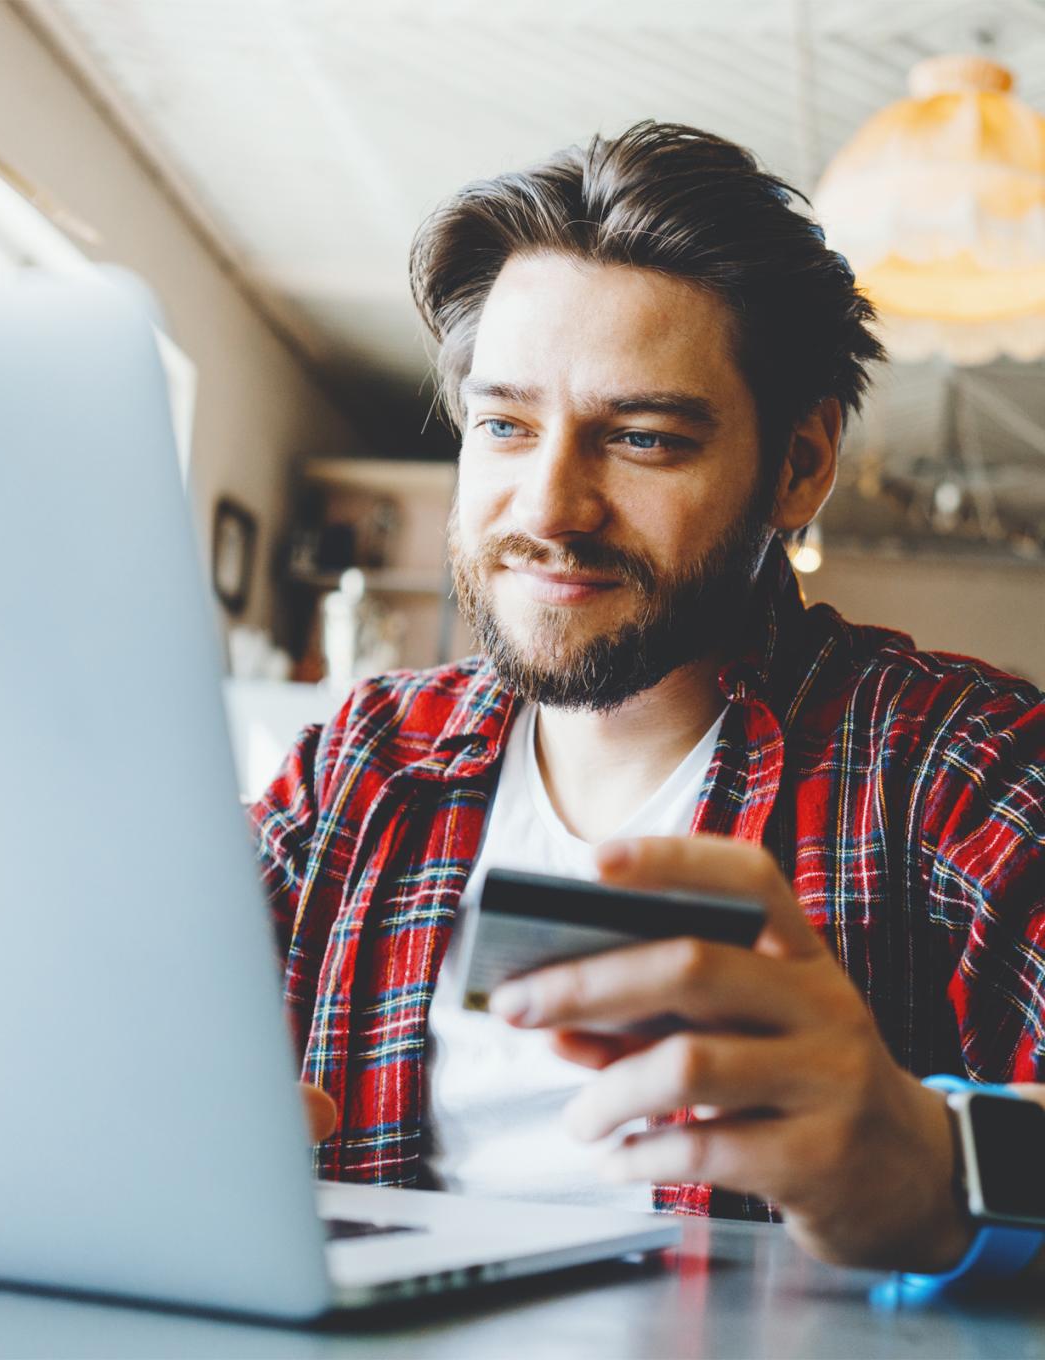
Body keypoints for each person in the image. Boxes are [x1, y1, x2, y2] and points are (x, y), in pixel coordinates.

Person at [253, 122, 1045, 1276]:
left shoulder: (957, 769)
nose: (551, 504)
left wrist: (932, 1164)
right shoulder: (354, 772)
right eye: (505, 425)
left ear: (800, 464)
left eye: (642, 438)